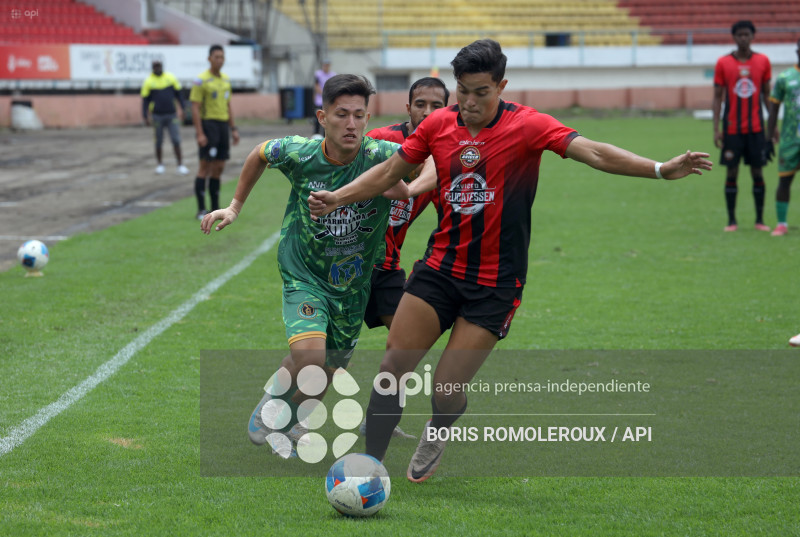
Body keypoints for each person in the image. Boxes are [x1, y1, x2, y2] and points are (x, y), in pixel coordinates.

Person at [308, 39, 713, 482]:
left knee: (445, 389)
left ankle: (440, 426)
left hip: (496, 284)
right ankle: (370, 468)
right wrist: (337, 198)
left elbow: (593, 152)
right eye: (462, 90)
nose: (469, 102)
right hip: (439, 270)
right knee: (393, 368)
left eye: (481, 91)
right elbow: (388, 173)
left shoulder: (528, 126)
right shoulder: (438, 125)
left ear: (502, 86)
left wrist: (659, 169)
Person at [200, 74, 428, 457]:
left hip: (353, 283)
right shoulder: (300, 152)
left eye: (359, 115)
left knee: (325, 370)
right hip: (304, 272)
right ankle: (277, 410)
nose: (351, 124)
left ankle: (283, 413)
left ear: (368, 118)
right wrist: (235, 206)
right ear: (323, 117)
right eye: (342, 115)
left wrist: (407, 189)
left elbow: (431, 165)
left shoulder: (382, 157)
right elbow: (260, 153)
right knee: (311, 357)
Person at [363, 76, 450, 331]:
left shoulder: (446, 156)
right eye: (420, 104)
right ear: (408, 108)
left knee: (407, 341)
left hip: (387, 265)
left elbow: (451, 220)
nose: (428, 112)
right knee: (321, 354)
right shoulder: (379, 138)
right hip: (349, 262)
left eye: (437, 106)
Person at [712, 20, 772, 232]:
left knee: (758, 174)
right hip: (732, 131)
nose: (743, 38)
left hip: (756, 130)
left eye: (747, 34)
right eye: (739, 35)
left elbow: (766, 95)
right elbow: (717, 98)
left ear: (753, 36)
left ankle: (760, 220)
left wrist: (772, 128)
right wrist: (716, 129)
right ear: (734, 37)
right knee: (731, 174)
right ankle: (732, 221)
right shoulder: (723, 63)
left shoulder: (763, 61)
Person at [190, 44, 240, 220]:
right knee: (205, 167)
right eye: (216, 57)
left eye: (222, 57)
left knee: (219, 167)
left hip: (222, 127)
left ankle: (214, 208)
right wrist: (200, 133)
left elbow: (228, 105)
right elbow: (195, 108)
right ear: (209, 59)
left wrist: (233, 129)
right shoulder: (201, 80)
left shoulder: (226, 80)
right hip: (208, 125)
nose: (219, 60)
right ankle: (201, 209)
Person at [765, 38, 800, 237]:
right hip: (790, 140)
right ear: (797, 50)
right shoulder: (785, 77)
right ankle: (781, 224)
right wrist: (769, 139)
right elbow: (773, 111)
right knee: (784, 181)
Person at [140, 60, 189, 175]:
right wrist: (145, 115)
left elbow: (179, 95)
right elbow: (145, 101)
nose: (157, 68)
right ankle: (160, 165)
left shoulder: (170, 78)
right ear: (152, 68)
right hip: (157, 115)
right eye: (155, 66)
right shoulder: (148, 81)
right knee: (158, 141)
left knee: (176, 140)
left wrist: (183, 108)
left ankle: (180, 165)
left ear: (162, 66)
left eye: (159, 66)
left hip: (172, 114)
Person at [312, 59, 336, 137]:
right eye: (325, 65)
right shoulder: (318, 74)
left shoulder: (332, 75)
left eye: (327, 65)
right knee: (317, 118)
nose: (326, 67)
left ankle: (325, 135)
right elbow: (316, 85)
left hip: (329, 100)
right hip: (320, 100)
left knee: (327, 118)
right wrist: (323, 94)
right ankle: (315, 134)